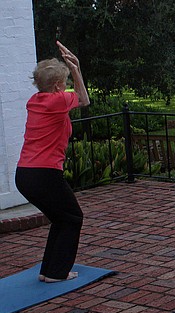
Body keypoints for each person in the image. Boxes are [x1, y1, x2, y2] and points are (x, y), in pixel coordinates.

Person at [16, 41, 90, 283]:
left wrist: (74, 69)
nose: (67, 86)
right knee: (72, 217)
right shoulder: (57, 101)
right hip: (43, 174)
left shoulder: (36, 101)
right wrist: (76, 67)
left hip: (25, 175)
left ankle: (49, 270)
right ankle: (57, 273)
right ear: (58, 86)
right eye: (65, 82)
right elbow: (84, 99)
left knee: (62, 217)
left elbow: (78, 98)